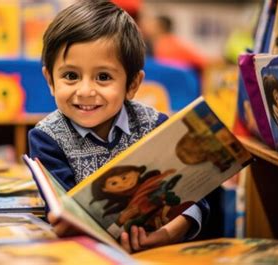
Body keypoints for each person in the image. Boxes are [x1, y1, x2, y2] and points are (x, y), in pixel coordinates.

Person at [28, 0, 209, 253]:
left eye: (103, 77)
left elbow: (194, 195)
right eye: (70, 76)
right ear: (50, 80)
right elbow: (62, 213)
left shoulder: (155, 125)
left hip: (157, 251)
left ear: (133, 85)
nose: (85, 91)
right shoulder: (47, 138)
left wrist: (168, 234)